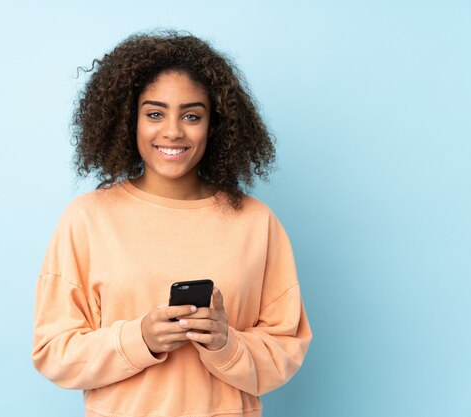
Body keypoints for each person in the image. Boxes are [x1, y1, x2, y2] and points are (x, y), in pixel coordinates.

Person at [31, 30, 312, 417]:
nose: (173, 131)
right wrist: (140, 338)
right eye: (155, 113)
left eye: (192, 115)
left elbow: (286, 347)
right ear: (129, 120)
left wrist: (225, 344)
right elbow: (53, 352)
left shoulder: (256, 222)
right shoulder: (88, 219)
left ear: (214, 126)